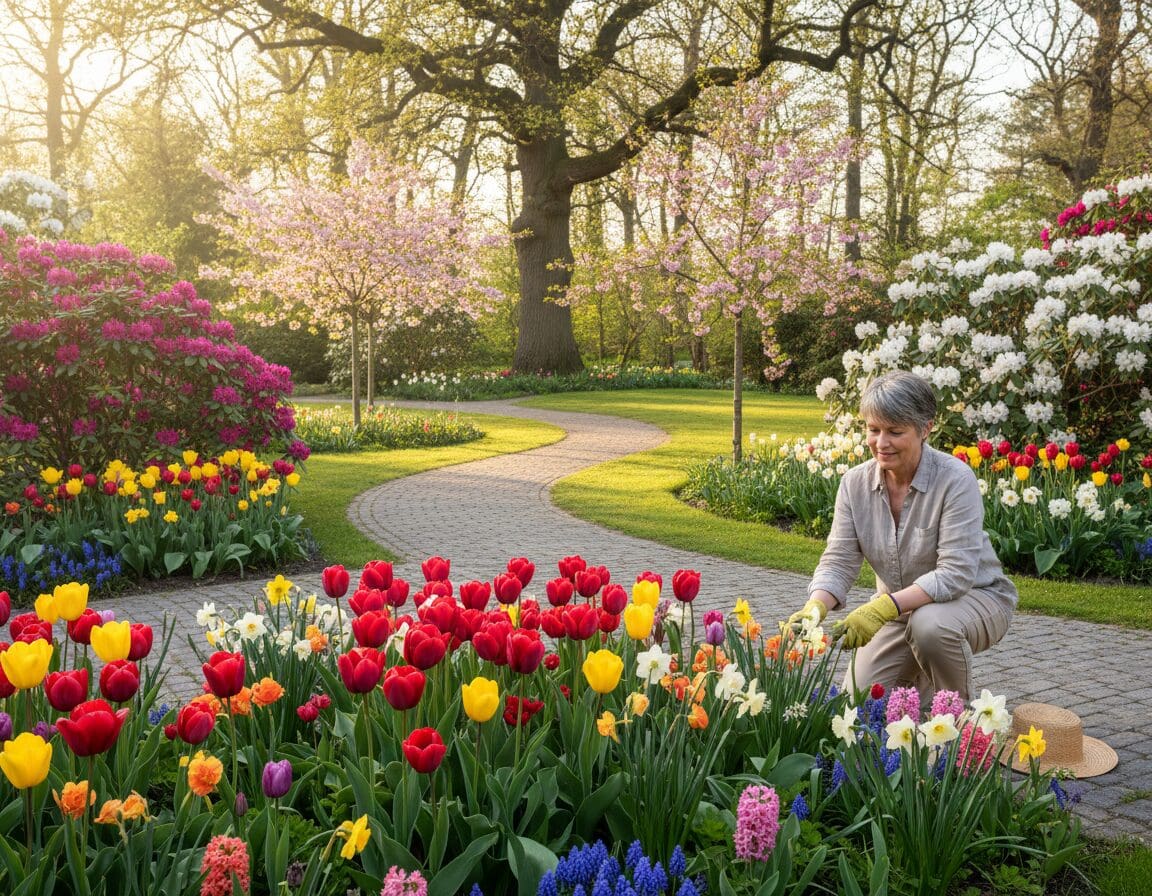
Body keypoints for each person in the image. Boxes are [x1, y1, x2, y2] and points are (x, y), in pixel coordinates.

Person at [785, 370, 1017, 704]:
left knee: (930, 627)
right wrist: (814, 608)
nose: (881, 443)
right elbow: (839, 561)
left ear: (925, 429)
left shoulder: (955, 480)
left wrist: (882, 607)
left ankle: (956, 715)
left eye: (895, 431)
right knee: (857, 702)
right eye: (873, 429)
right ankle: (921, 683)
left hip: (975, 599)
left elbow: (956, 574)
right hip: (898, 610)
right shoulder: (854, 485)